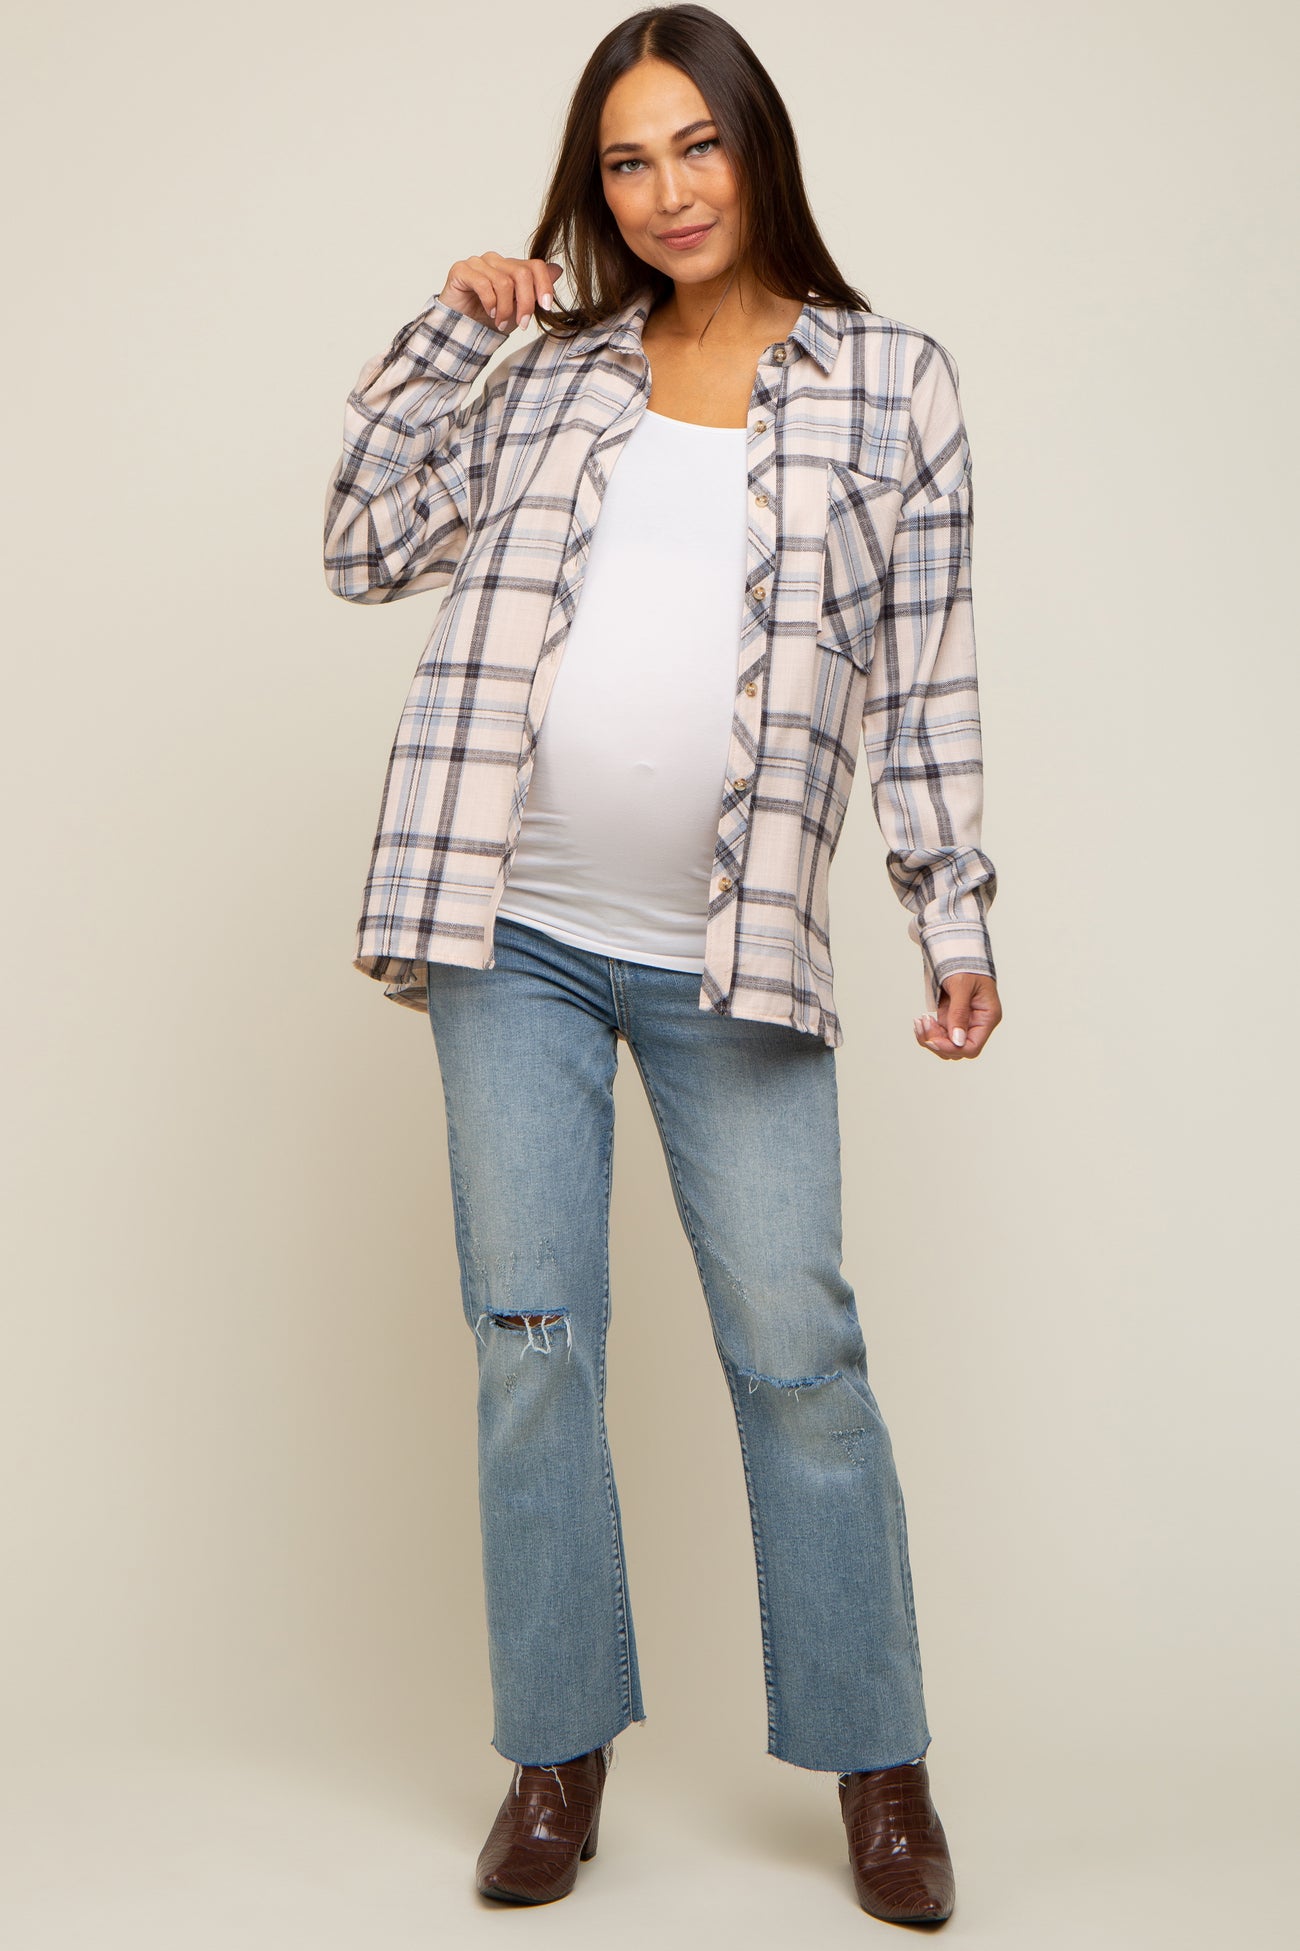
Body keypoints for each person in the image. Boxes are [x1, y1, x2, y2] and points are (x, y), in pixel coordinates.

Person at [323, 3, 1001, 1925]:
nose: (667, 191)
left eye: (695, 145)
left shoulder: (893, 383)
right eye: (627, 161)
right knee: (531, 1345)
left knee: (800, 1356)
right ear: (593, 186)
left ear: (755, 148)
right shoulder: (551, 373)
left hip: (734, 948)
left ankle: (881, 1771)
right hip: (508, 928)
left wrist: (952, 913)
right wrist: (450, 334)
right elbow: (361, 547)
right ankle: (555, 1757)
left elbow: (926, 680)